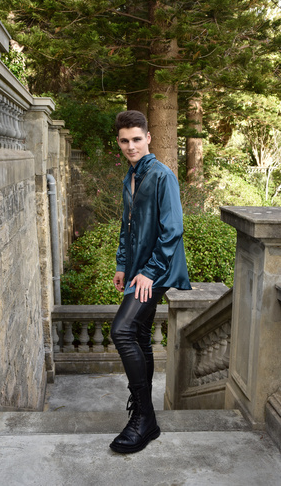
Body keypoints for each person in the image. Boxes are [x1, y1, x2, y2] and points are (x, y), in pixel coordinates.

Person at [110, 110, 191, 454]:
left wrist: (149, 271)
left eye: (137, 139)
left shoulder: (162, 175)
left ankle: (143, 418)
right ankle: (148, 420)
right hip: (138, 269)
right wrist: (123, 265)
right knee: (140, 334)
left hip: (157, 270)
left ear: (148, 138)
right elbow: (128, 227)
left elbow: (173, 230)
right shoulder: (131, 176)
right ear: (119, 141)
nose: (131, 146)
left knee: (122, 331)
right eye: (125, 140)